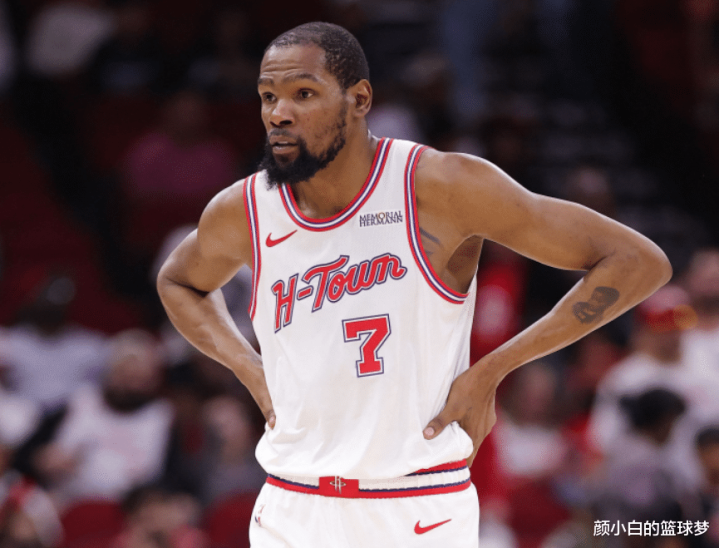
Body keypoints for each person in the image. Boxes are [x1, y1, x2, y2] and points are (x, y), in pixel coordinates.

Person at [156, 22, 672, 547]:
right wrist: (249, 368)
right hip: (291, 506)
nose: (278, 113)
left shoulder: (439, 186)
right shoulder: (244, 209)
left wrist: (493, 370)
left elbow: (636, 261)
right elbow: (178, 281)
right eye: (268, 96)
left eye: (303, 94)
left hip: (415, 506)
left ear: (360, 99)